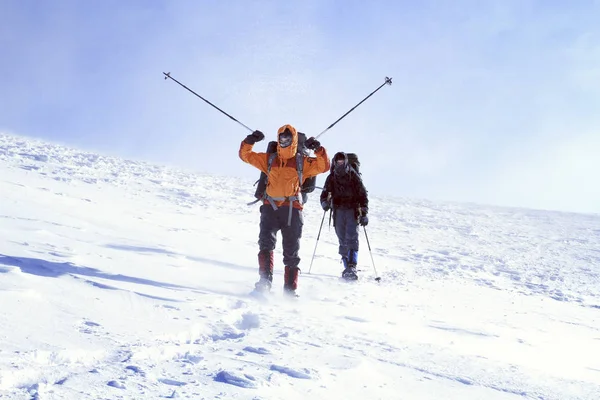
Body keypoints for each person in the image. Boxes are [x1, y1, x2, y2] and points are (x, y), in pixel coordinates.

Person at [239, 124, 330, 296]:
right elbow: (245, 156)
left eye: (288, 138)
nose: (284, 141)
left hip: (292, 210)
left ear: (294, 140)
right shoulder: (269, 159)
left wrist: (318, 149)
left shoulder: (301, 162)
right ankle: (264, 281)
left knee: (291, 251)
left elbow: (323, 166)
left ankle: (290, 289)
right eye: (282, 138)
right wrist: (250, 141)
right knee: (265, 244)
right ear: (278, 139)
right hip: (270, 208)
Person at [319, 151, 369, 280]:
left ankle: (351, 266)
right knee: (342, 238)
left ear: (345, 161)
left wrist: (364, 213)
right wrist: (325, 203)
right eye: (338, 161)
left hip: (352, 210)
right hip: (338, 211)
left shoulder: (353, 176)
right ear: (335, 162)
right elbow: (324, 195)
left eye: (342, 161)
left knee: (352, 237)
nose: (340, 163)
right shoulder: (331, 178)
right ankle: (347, 266)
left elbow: (363, 195)